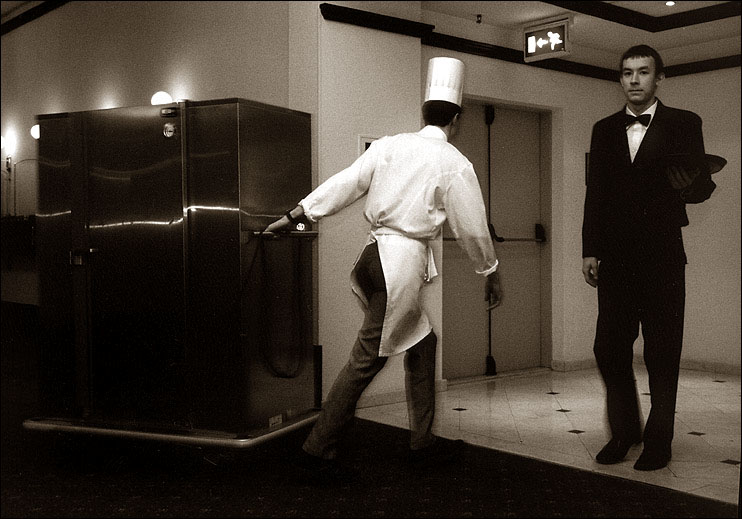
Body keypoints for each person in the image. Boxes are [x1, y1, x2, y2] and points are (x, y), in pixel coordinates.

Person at [265, 57, 502, 480]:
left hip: (374, 257)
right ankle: (317, 446)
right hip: (399, 265)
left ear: (424, 112)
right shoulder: (454, 162)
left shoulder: (390, 145)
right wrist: (490, 271)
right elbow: (472, 227)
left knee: (423, 344)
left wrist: (298, 213)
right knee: (365, 360)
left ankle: (422, 442)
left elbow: (347, 182)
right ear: (457, 119)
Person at [581, 45, 716, 471]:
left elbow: (703, 186)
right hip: (616, 258)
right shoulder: (604, 129)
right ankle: (625, 432)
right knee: (608, 348)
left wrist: (687, 185)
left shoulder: (684, 123)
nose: (634, 80)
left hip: (662, 256)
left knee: (662, 351)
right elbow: (595, 193)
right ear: (620, 79)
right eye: (627, 73)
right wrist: (589, 248)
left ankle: (660, 440)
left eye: (643, 72)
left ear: (659, 78)